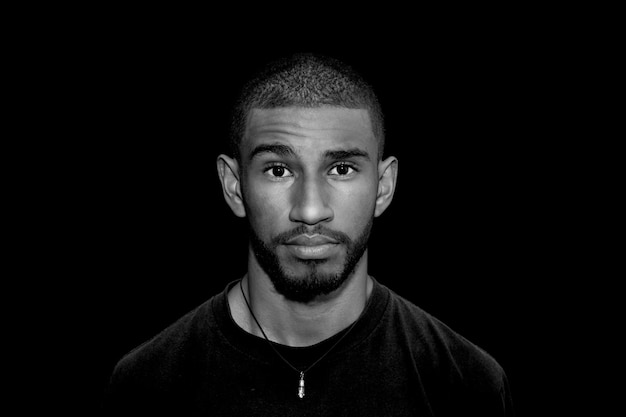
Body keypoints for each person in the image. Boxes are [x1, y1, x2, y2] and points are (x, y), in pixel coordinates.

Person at [104, 52, 514, 416]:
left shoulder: (465, 385)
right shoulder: (147, 385)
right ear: (233, 186)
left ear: (384, 187)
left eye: (342, 169)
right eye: (278, 170)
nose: (311, 210)